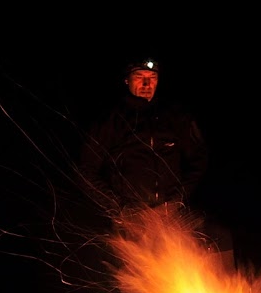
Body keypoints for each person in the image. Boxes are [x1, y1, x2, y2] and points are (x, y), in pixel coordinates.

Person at [78, 56, 212, 228]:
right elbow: (86, 171)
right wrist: (120, 208)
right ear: (126, 80)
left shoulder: (175, 116)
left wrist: (176, 200)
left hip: (170, 216)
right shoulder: (111, 120)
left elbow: (199, 159)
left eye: (152, 77)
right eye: (139, 77)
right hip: (131, 221)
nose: (146, 84)